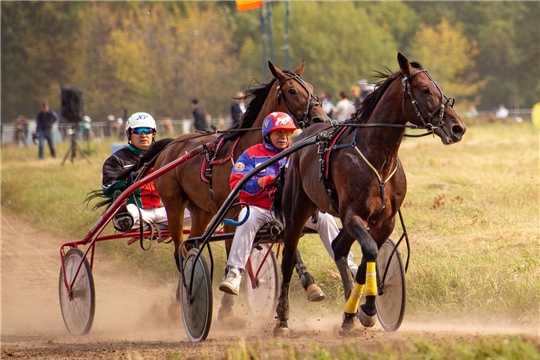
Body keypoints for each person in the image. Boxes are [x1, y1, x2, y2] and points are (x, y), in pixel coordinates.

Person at [219, 112, 356, 295]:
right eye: (279, 133)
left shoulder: (297, 153)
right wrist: (259, 182)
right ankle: (234, 273)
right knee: (246, 218)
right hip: (261, 209)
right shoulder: (251, 154)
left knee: (324, 218)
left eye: (287, 134)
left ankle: (349, 264)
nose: (284, 138)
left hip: (292, 211)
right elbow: (236, 183)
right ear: (268, 134)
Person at [102, 112, 186, 230]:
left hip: (166, 210)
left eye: (147, 131)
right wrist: (126, 181)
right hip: (138, 211)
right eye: (137, 131)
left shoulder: (166, 155)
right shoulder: (117, 159)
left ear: (153, 134)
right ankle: (123, 217)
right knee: (129, 214)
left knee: (201, 211)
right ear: (129, 134)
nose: (143, 135)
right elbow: (107, 189)